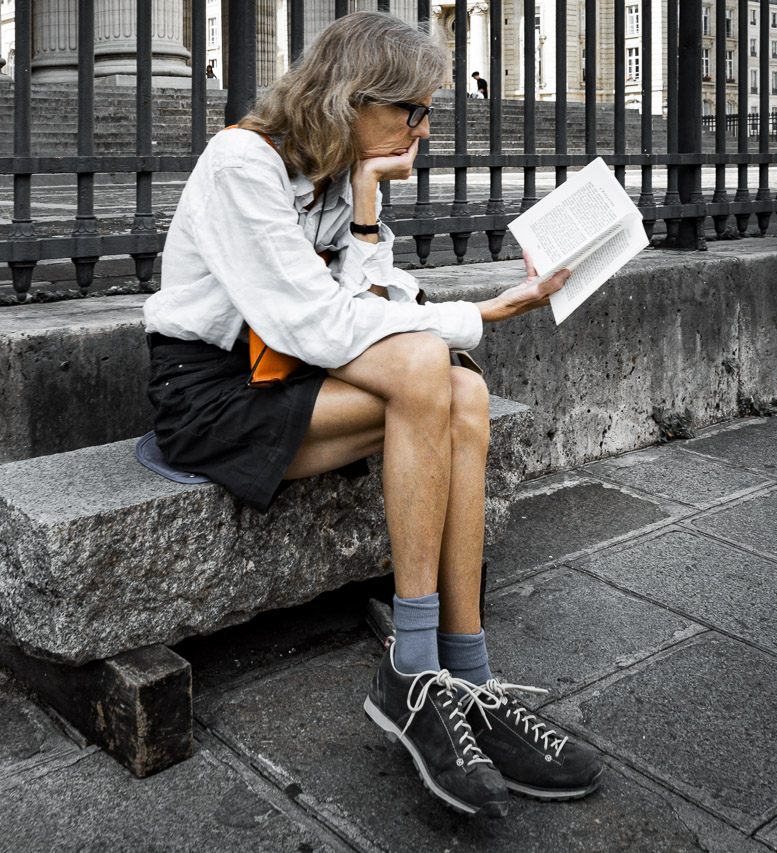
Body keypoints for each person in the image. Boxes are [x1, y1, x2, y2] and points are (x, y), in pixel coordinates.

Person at [143, 12, 601, 817]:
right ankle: (415, 675)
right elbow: (314, 325)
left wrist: (362, 195)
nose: (421, 129)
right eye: (412, 111)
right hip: (213, 396)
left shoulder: (332, 168)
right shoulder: (240, 163)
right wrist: (483, 317)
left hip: (291, 378)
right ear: (354, 97)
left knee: (465, 391)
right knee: (435, 363)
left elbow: (367, 303)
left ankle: (468, 679)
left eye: (428, 113)